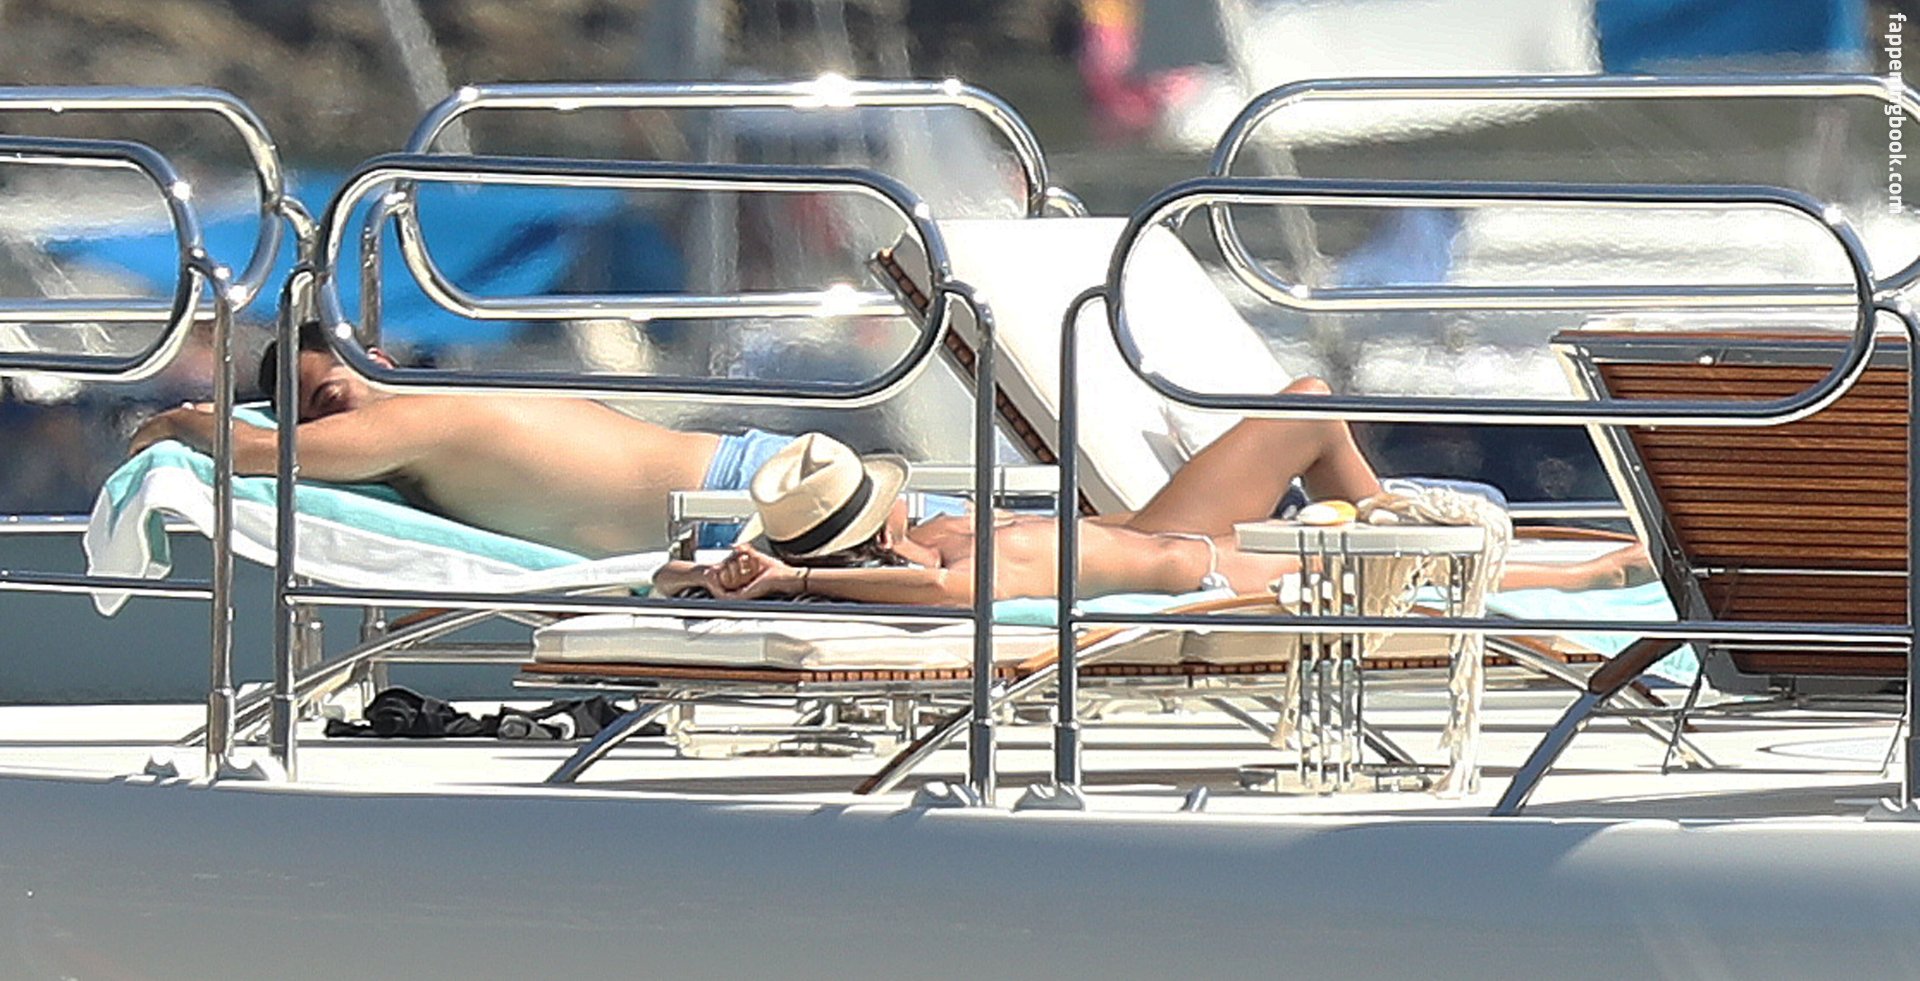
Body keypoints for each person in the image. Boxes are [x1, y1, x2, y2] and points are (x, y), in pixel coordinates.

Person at [654, 380, 1653, 604]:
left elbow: (666, 580)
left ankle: (1409, 515)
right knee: (1398, 567)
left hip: (1169, 530)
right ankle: (1594, 573)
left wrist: (715, 571)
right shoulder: (947, 576)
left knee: (1310, 407)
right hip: (1208, 569)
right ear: (876, 530)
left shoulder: (937, 536)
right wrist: (794, 582)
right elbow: (947, 594)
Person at [126, 320, 794, 556]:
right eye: (319, 418)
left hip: (743, 504)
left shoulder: (415, 417)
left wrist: (175, 422)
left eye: (333, 395)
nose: (338, 426)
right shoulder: (434, 420)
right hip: (743, 496)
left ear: (377, 363)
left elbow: (254, 453)